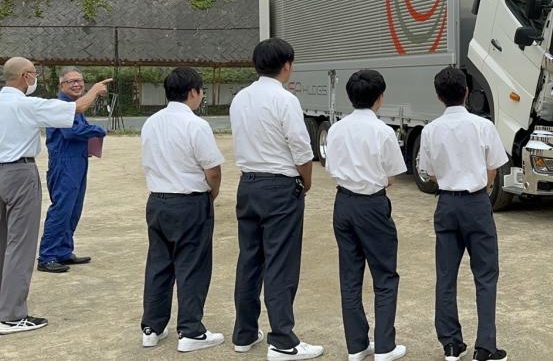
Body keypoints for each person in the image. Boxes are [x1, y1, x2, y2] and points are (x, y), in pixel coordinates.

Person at [0, 57, 109, 334]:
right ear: (25, 76)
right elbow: (76, 110)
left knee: (5, 243)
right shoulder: (26, 104)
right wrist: (95, 91)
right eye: (34, 74)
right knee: (21, 245)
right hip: (19, 172)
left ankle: (8, 304)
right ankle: (12, 315)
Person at [229, 38, 323, 361]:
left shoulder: (239, 99)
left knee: (250, 258)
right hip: (280, 187)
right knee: (281, 262)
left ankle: (244, 332)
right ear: (287, 65)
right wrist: (305, 184)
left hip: (248, 184)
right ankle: (283, 339)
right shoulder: (285, 100)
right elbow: (301, 149)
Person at [417, 68, 509, 361]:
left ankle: (451, 344)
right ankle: (486, 346)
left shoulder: (430, 130)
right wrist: (483, 184)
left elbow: (428, 173)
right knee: (485, 274)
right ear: (467, 91)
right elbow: (493, 167)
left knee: (446, 275)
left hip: (446, 203)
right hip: (476, 203)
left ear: (438, 96)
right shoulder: (483, 126)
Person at [138, 67, 225, 352]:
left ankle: (152, 327)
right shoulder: (196, 125)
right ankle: (191, 331)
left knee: (159, 264)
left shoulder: (151, 122)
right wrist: (210, 196)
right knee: (193, 265)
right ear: (193, 92)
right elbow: (212, 169)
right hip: (189, 201)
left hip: (158, 200)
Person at [325, 70, 408, 361]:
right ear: (380, 97)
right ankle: (384, 346)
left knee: (350, 275)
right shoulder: (383, 131)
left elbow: (331, 169)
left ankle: (357, 345)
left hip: (343, 203)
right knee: (384, 274)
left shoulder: (336, 129)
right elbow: (394, 175)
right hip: (372, 205)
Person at [37, 67, 107, 274]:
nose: (77, 84)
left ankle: (63, 251)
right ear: (61, 85)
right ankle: (47, 255)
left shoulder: (74, 106)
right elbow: (72, 132)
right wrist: (98, 129)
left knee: (74, 208)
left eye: (80, 80)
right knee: (62, 209)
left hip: (77, 161)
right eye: (71, 82)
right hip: (64, 163)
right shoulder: (61, 106)